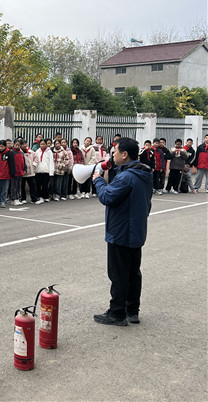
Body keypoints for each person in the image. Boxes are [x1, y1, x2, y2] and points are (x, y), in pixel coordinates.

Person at [93, 137, 152, 326]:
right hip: (136, 231)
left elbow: (107, 197)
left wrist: (98, 181)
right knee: (133, 272)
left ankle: (117, 313)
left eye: (115, 152)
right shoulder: (144, 173)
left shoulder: (127, 176)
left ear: (125, 155)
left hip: (121, 232)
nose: (113, 155)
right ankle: (132, 310)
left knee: (118, 274)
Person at [20, 139, 40, 205]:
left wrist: (34, 165)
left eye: (25, 144)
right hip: (23, 172)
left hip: (31, 172)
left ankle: (34, 199)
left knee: (33, 185)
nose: (24, 145)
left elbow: (36, 158)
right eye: (22, 144)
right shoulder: (20, 152)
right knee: (22, 186)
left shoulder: (31, 151)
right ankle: (23, 198)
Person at [8, 140, 26, 205]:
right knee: (14, 186)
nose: (17, 146)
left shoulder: (21, 153)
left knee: (19, 186)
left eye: (19, 145)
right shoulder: (11, 152)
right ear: (14, 144)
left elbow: (23, 162)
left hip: (20, 172)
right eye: (16, 145)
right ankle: (14, 198)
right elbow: (10, 163)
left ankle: (18, 198)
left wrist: (24, 169)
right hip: (14, 172)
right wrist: (12, 171)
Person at [0, 140, 10, 207]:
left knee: (4, 189)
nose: (1, 148)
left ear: (5, 146)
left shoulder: (9, 153)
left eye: (2, 146)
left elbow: (11, 164)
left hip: (6, 174)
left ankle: (3, 200)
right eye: (0, 146)